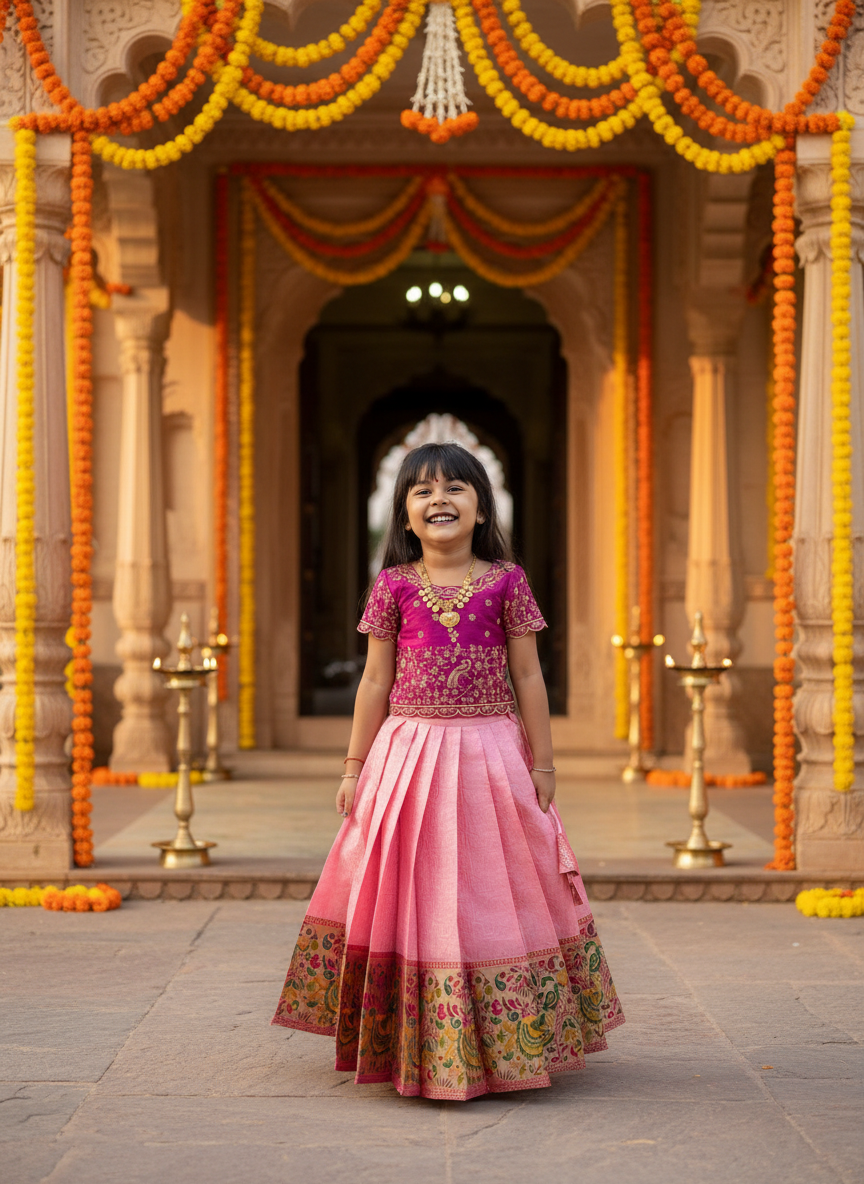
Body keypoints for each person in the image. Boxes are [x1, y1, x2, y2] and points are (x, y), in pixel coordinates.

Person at [272, 441, 624, 1099]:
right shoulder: (394, 587)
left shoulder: (506, 581)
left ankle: (508, 1040)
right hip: (406, 754)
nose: (440, 499)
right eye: (423, 490)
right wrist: (355, 767)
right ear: (405, 517)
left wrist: (543, 764)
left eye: (456, 487)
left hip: (491, 753)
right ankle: (415, 1041)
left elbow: (527, 674)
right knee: (415, 889)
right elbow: (375, 681)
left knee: (494, 889)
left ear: (481, 507)